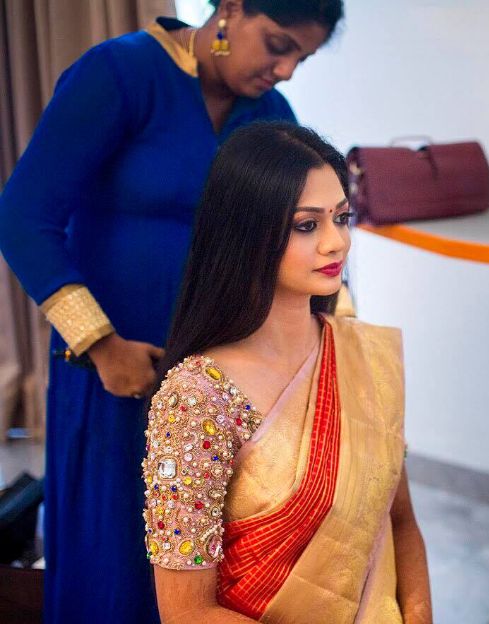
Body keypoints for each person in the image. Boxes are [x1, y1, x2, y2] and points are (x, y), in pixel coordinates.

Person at [0, 2, 344, 621]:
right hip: (119, 372)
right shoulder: (120, 75)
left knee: (205, 566)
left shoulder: (271, 116)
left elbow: (293, 241)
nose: (287, 70)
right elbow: (23, 217)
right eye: (277, 45)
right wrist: (101, 346)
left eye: (302, 57)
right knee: (115, 556)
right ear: (231, 9)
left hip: (222, 386)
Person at [142, 121, 433, 623]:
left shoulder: (361, 356)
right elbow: (187, 613)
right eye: (306, 225)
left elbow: (400, 520)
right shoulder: (197, 397)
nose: (336, 243)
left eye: (342, 218)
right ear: (247, 233)